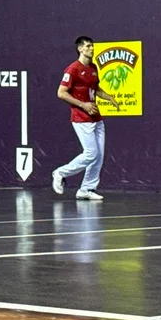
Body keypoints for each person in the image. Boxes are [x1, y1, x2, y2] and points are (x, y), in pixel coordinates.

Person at [52, 36, 120, 200]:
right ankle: (60, 173)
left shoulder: (93, 67)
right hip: (81, 118)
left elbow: (95, 89)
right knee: (91, 154)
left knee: (99, 156)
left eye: (92, 46)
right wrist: (83, 105)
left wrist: (109, 98)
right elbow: (61, 93)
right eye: (88, 46)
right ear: (80, 49)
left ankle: (86, 189)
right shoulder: (72, 69)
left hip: (96, 117)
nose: (92, 49)